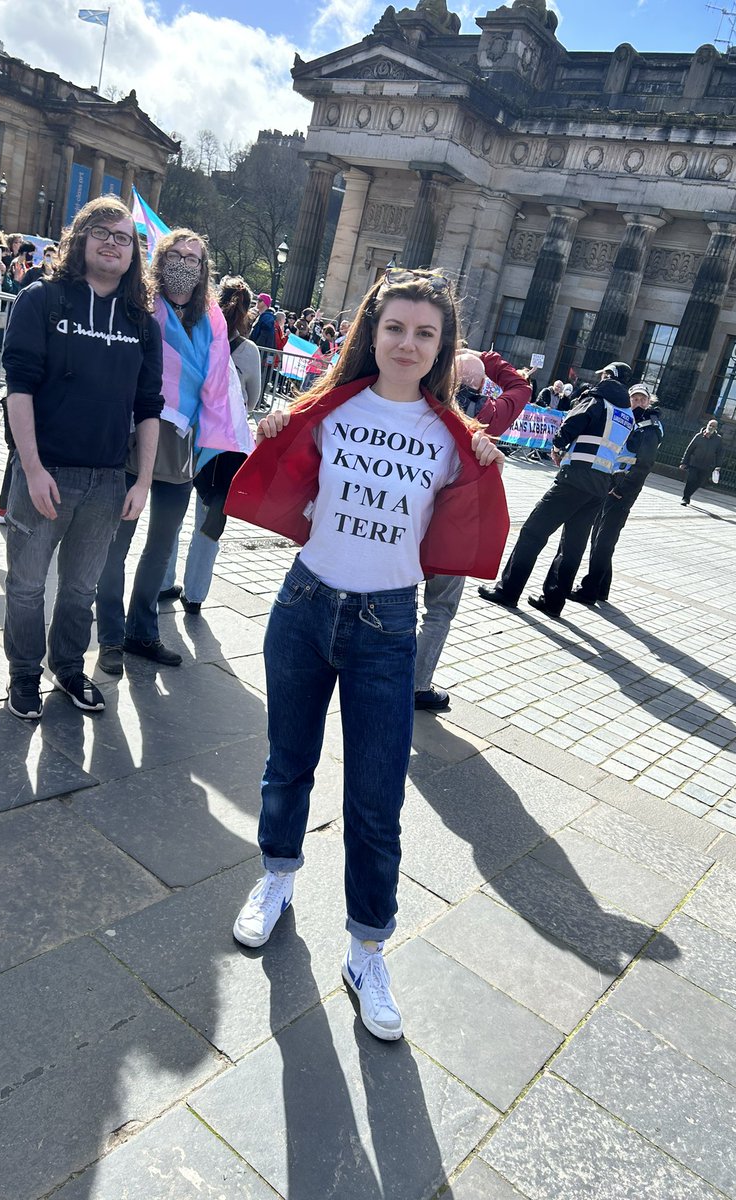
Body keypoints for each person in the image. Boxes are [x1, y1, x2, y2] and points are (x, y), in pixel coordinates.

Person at [224, 268, 508, 1041]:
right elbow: (288, 472)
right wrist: (277, 425)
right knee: (287, 764)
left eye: (425, 333)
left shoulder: (452, 439)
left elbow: (466, 514)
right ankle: (277, 878)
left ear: (443, 345)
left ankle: (366, 949)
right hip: (305, 603)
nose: (408, 344)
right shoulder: (329, 411)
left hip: (387, 624)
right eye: (395, 329)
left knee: (377, 800)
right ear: (371, 333)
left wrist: (487, 459)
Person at [0, 196, 163, 719]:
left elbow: (148, 407)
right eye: (102, 232)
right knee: (26, 586)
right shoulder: (42, 299)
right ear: (81, 238)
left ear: (135, 254)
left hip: (109, 480)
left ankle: (69, 667)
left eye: (124, 237)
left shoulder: (143, 321)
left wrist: (144, 483)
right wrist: (30, 467)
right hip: (43, 473)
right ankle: (24, 674)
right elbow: (18, 387)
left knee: (81, 588)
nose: (113, 243)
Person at [95, 233, 254, 668]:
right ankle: (109, 635)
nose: (185, 263)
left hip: (182, 444)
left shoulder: (212, 321)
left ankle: (141, 632)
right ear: (161, 259)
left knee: (162, 546)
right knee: (116, 543)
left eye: (194, 258)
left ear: (204, 270)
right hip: (133, 435)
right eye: (177, 255)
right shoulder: (140, 304)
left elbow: (218, 384)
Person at [414, 346, 532, 710]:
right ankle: (417, 686)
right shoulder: (491, 414)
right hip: (454, 531)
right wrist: (488, 358)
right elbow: (521, 388)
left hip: (411, 518)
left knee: (397, 597)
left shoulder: (423, 401)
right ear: (483, 384)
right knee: (440, 609)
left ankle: (380, 670)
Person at [479, 362, 635, 619]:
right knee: (573, 545)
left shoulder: (596, 400)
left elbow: (572, 423)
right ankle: (553, 601)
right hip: (600, 486)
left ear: (608, 376)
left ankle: (508, 590)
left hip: (575, 478)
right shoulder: (627, 414)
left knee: (533, 532)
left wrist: (558, 447)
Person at [157, 274, 260, 614]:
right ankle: (196, 594)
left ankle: (162, 581)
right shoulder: (249, 352)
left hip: (187, 436)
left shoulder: (198, 336)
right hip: (223, 447)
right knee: (210, 519)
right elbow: (253, 401)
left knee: (172, 512)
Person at [570, 385, 664, 605]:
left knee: (603, 540)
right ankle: (602, 588)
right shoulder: (628, 420)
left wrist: (621, 490)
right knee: (601, 538)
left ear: (649, 402)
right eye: (634, 398)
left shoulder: (649, 427)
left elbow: (644, 465)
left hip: (621, 490)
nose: (638, 402)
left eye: (642, 399)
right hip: (609, 483)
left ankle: (589, 590)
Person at [680, 418, 723, 506]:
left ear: (716, 428)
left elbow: (720, 454)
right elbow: (689, 450)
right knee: (691, 479)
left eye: (713, 426)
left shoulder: (718, 440)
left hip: (706, 465)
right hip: (694, 463)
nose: (711, 427)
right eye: (710, 425)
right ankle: (685, 498)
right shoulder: (698, 436)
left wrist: (718, 466)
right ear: (707, 425)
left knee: (699, 482)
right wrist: (684, 462)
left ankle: (688, 495)